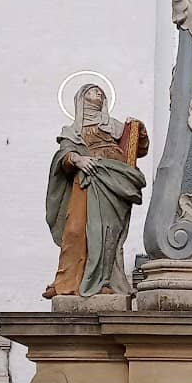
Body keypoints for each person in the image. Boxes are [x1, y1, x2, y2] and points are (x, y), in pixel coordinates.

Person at [44, 83, 149, 298]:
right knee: (75, 231)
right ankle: (67, 282)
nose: (98, 94)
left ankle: (104, 282)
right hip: (86, 183)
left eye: (101, 92)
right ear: (82, 98)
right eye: (92, 92)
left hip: (113, 182)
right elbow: (63, 155)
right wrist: (78, 159)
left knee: (106, 232)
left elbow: (137, 148)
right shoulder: (72, 130)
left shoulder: (115, 126)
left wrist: (139, 130)